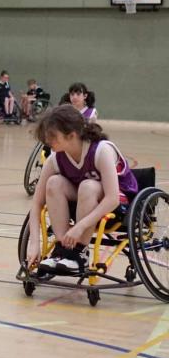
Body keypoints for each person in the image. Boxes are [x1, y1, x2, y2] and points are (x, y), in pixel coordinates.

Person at [26, 105, 138, 275]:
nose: (48, 141)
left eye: (52, 137)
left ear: (72, 135)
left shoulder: (102, 150)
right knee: (54, 183)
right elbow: (36, 204)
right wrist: (34, 243)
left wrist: (79, 227)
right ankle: (64, 249)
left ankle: (79, 252)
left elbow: (112, 198)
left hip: (119, 203)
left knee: (88, 186)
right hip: (84, 199)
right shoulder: (55, 159)